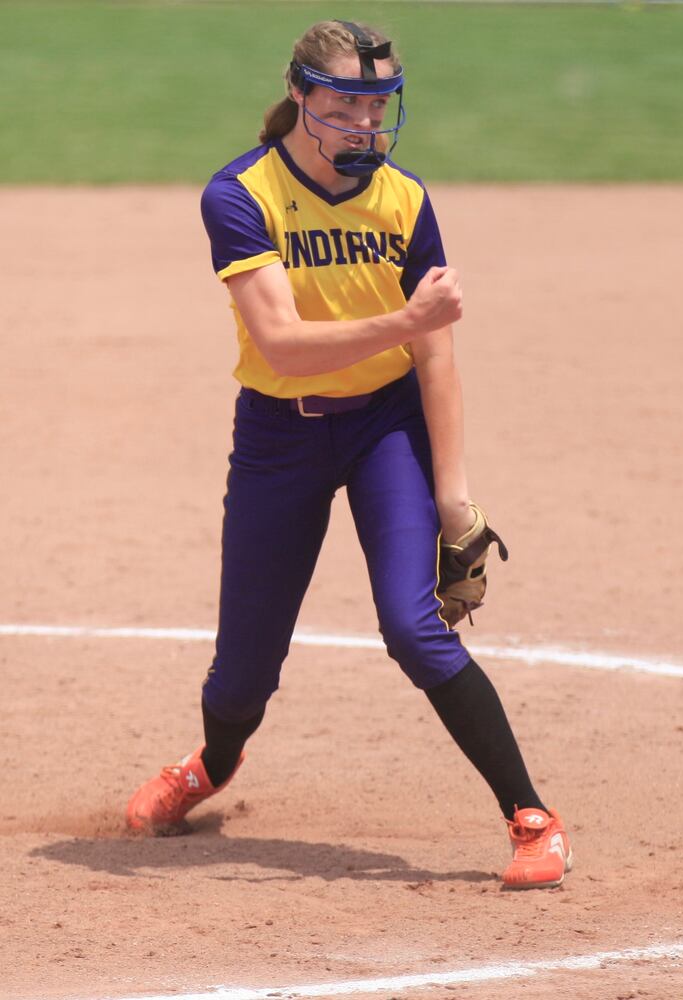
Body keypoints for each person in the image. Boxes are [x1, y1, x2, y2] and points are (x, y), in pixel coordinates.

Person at [124, 19, 572, 891]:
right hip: (278, 433)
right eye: (346, 103)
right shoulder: (240, 194)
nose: (366, 123)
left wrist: (454, 497)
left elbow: (436, 354)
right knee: (243, 671)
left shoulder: (404, 199)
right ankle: (211, 765)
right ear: (299, 94)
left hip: (385, 428)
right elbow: (283, 345)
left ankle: (533, 819)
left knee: (415, 628)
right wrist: (405, 323)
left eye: (378, 104)